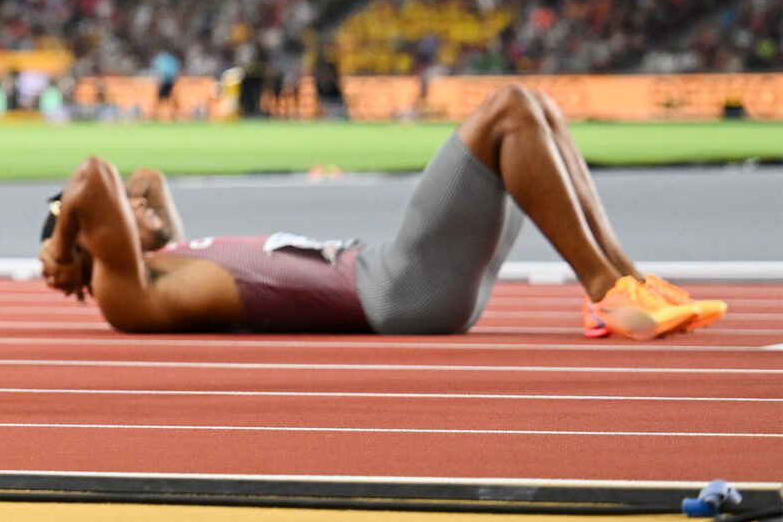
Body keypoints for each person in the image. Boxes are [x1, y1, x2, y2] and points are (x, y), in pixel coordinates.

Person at [36, 83, 723, 339]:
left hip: (398, 277)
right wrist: (61, 243)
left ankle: (626, 277)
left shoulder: (167, 261)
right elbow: (95, 178)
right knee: (508, 110)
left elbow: (147, 180)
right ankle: (607, 292)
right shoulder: (132, 297)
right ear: (97, 241)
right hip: (396, 289)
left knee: (534, 105)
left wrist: (89, 229)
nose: (135, 200)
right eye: (119, 212)